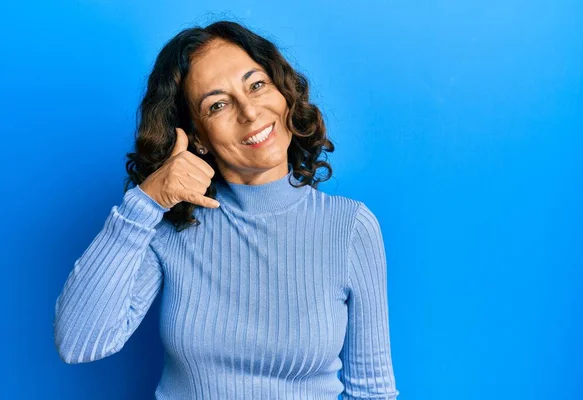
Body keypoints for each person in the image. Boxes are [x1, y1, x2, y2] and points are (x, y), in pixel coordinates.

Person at [53, 20, 399, 400]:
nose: (249, 112)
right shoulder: (169, 227)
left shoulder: (349, 227)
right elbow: (78, 343)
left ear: (283, 93)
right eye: (218, 104)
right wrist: (146, 200)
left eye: (256, 85)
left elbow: (372, 391)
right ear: (198, 136)